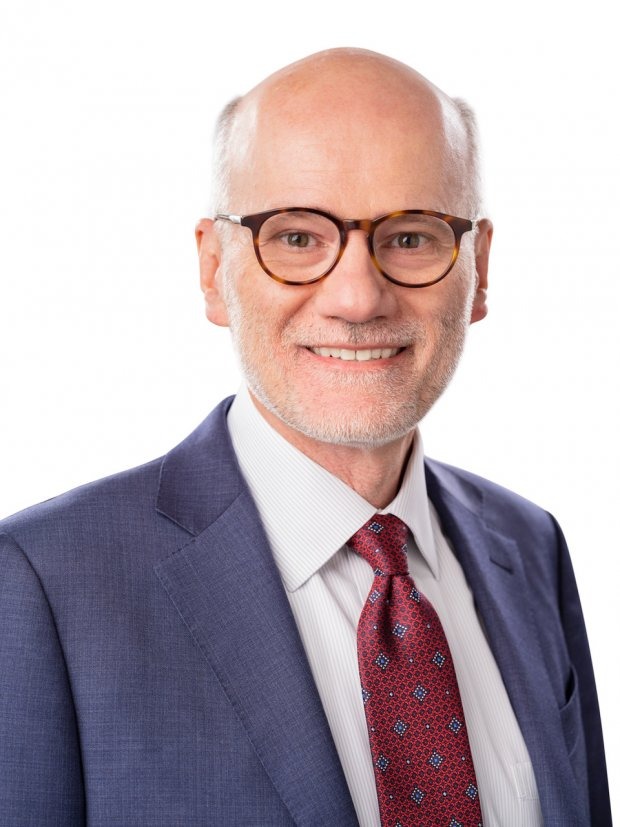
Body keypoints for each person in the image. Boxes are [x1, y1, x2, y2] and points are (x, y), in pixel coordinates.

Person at [0, 48, 610, 827]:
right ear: (214, 268)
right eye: (295, 239)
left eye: (412, 236)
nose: (357, 297)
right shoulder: (44, 585)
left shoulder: (530, 548)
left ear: (479, 269)